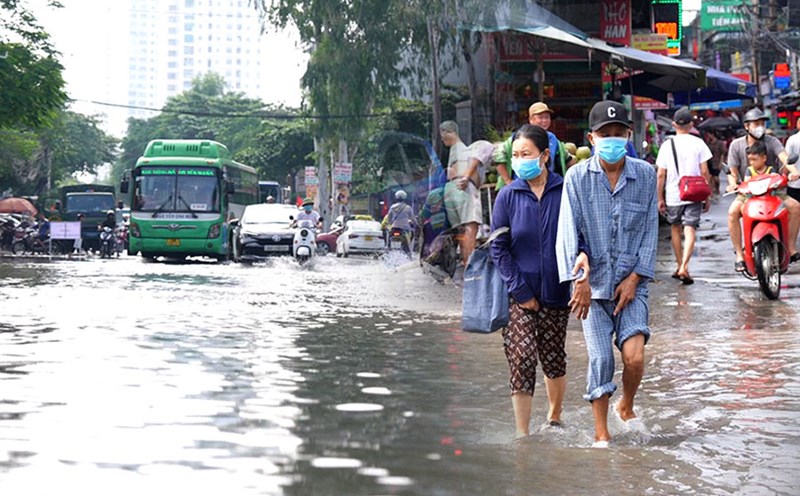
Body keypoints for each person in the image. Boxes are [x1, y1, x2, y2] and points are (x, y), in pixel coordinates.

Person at [556, 100, 659, 448]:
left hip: (633, 283)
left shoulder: (644, 174)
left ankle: (626, 404)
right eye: (605, 134)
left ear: (629, 135)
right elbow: (569, 230)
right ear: (591, 137)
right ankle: (602, 434)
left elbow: (649, 228)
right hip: (593, 286)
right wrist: (579, 281)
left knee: (634, 356)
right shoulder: (576, 177)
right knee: (601, 358)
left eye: (618, 134)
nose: (612, 140)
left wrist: (635, 277)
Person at [491, 124, 590, 438]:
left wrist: (581, 270)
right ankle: (522, 434)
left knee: (553, 356)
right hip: (519, 293)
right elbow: (497, 246)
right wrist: (519, 290)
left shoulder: (566, 191)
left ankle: (554, 415)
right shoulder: (507, 196)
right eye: (516, 155)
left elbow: (583, 236)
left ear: (545, 155)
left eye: (527, 154)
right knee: (521, 357)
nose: (520, 160)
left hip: (557, 291)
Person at [725, 108, 800, 271]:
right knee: (732, 212)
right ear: (747, 126)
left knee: (795, 206)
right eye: (756, 123)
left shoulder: (772, 141)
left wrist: (794, 172)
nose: (760, 127)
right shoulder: (736, 146)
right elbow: (732, 172)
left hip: (774, 191)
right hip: (747, 193)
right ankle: (739, 254)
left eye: (762, 123)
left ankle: (791, 248)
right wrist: (732, 184)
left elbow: (784, 158)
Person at [656, 106, 713, 285]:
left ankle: (680, 264)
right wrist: (707, 196)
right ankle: (684, 267)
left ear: (674, 124)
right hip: (694, 193)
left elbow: (660, 174)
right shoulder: (698, 143)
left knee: (675, 228)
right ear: (691, 124)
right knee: (690, 229)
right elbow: (705, 172)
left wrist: (660, 198)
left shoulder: (667, 145)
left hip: (674, 194)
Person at [440, 120, 482, 267]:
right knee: (471, 227)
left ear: (449, 132)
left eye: (442, 134)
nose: (441, 138)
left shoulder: (454, 150)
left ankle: (465, 266)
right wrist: (476, 182)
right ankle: (469, 268)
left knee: (461, 231)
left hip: (451, 189)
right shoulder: (463, 148)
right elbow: (469, 172)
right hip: (462, 188)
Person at [528, 102, 576, 176]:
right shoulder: (522, 137)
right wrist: (508, 180)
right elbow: (503, 157)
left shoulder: (552, 138)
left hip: (548, 183)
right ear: (531, 120)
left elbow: (567, 158)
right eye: (540, 117)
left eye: (547, 117)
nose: (544, 121)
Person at [382, 190, 415, 255]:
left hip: (394, 227)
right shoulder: (408, 208)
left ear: (396, 197)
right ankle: (407, 251)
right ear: (405, 198)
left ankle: (387, 248)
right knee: (412, 234)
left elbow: (389, 218)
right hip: (405, 229)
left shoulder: (392, 207)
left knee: (388, 236)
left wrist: (390, 224)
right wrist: (416, 224)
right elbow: (413, 218)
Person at [783, 118, 800, 204]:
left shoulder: (792, 139)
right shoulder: (793, 140)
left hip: (794, 184)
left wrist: (784, 175)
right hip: (795, 182)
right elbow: (786, 159)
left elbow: (786, 161)